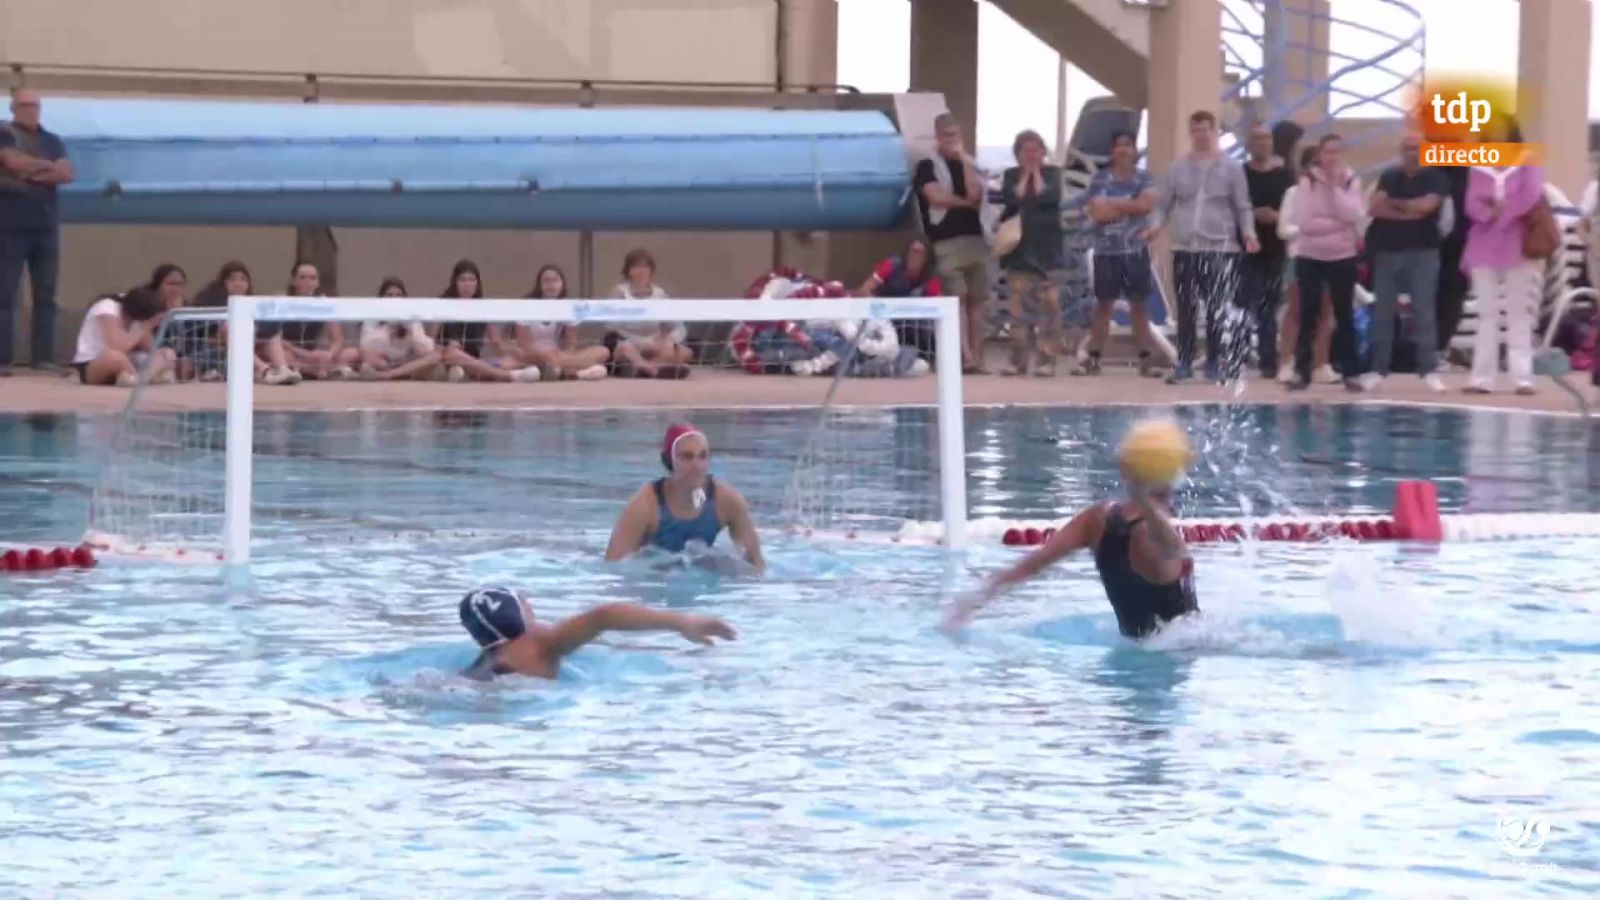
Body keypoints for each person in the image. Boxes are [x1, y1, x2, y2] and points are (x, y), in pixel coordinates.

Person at [942, 442, 1199, 640]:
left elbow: (1032, 564)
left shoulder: (1097, 520)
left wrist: (974, 599)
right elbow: (1171, 547)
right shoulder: (1156, 540)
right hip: (1177, 653)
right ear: (1172, 480)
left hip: (1131, 650)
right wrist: (1145, 500)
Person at [1144, 109, 1259, 384]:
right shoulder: (1178, 168)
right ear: (1191, 133)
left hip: (1220, 247)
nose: (1201, 135)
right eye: (1195, 131)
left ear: (1214, 131)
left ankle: (1213, 362)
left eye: (1205, 130)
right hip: (1185, 247)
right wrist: (1155, 226)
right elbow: (1163, 205)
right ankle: (1184, 361)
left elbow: (1242, 207)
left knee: (1216, 306)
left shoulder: (1231, 169)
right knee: (1186, 306)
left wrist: (1249, 234)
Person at [458, 586, 736, 681]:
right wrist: (681, 621)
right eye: (524, 602)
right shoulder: (538, 643)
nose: (532, 606)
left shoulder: (487, 661)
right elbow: (605, 616)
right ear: (514, 612)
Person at [604, 423, 765, 573]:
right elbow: (613, 567)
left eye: (702, 456)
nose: (696, 465)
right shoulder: (645, 506)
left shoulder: (726, 501)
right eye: (687, 457)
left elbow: (755, 564)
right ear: (669, 461)